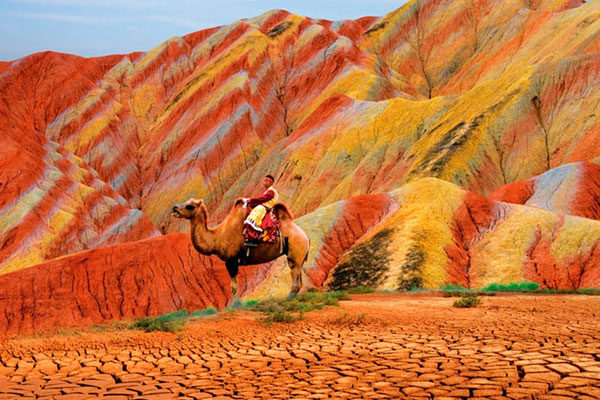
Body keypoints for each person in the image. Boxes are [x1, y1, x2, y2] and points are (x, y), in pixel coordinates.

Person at [243, 174, 279, 245]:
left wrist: (249, 200)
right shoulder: (269, 191)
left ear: (271, 183)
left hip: (262, 209)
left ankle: (253, 238)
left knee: (252, 220)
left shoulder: (271, 192)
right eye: (264, 181)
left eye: (266, 181)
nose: (264, 183)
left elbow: (262, 199)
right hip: (262, 208)